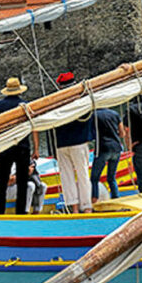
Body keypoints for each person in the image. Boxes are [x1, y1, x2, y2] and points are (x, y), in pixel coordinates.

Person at [0, 77, 37, 214]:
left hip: (6, 146)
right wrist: (36, 148)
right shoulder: (25, 105)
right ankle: (20, 211)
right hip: (23, 146)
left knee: (1, 182)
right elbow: (34, 127)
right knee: (22, 181)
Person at [53, 72, 93, 213]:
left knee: (67, 176)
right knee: (83, 174)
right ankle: (87, 206)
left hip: (62, 143)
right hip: (79, 142)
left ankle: (74, 208)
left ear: (59, 85)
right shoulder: (82, 98)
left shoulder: (55, 101)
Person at [90, 106, 126, 202]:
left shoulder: (93, 115)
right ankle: (116, 197)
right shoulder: (115, 114)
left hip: (103, 147)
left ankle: (94, 199)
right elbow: (122, 133)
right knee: (111, 177)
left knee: (94, 178)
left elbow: (90, 134)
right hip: (116, 147)